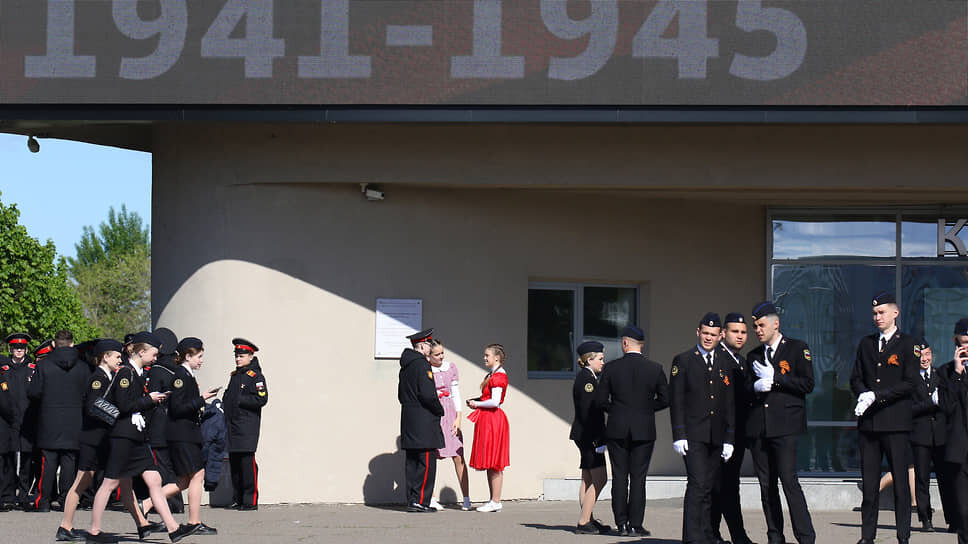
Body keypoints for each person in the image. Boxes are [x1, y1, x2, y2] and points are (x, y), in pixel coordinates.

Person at [84, 331, 198, 543]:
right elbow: (124, 406)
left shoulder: (136, 373)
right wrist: (149, 400)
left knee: (154, 479)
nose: (156, 358)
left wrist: (151, 401)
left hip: (136, 436)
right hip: (123, 436)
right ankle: (94, 531)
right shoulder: (126, 373)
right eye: (153, 354)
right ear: (141, 352)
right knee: (110, 483)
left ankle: (173, 529)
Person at [55, 339, 163, 542]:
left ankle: (142, 523)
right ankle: (65, 526)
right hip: (93, 439)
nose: (120, 360)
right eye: (116, 356)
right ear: (105, 357)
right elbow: (93, 405)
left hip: (105, 438)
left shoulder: (111, 376)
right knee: (81, 482)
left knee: (125, 482)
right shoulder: (98, 377)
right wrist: (118, 416)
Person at [850, 292, 919, 544]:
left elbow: (910, 383)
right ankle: (867, 537)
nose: (877, 317)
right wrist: (863, 394)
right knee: (870, 486)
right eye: (874, 313)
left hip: (895, 424)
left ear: (895, 313)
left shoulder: (908, 344)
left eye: (881, 312)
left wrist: (876, 395)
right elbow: (856, 377)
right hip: (869, 425)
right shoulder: (866, 344)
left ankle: (903, 536)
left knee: (901, 484)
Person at [747, 301, 816, 544]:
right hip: (760, 429)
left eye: (761, 325)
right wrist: (755, 387)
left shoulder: (797, 349)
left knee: (789, 481)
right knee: (767, 487)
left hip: (785, 427)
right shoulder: (754, 355)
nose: (758, 330)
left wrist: (776, 378)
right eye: (755, 326)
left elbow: (807, 384)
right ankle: (775, 536)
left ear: (775, 324)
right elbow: (745, 390)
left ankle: (806, 537)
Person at [593, 326, 669, 537]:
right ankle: (636, 524)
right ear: (641, 345)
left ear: (625, 343)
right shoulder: (655, 368)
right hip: (644, 429)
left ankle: (622, 524)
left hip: (617, 428)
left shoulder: (611, 368)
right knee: (638, 478)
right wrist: (645, 409)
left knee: (619, 477)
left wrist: (617, 411)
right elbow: (666, 399)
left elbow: (600, 400)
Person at [670, 313, 735, 544]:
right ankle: (692, 538)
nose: (709, 338)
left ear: (720, 336)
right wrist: (679, 434)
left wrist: (729, 438)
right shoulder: (684, 360)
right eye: (705, 333)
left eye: (713, 334)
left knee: (709, 487)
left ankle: (707, 535)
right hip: (693, 435)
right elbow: (676, 400)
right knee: (697, 484)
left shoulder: (725, 362)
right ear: (698, 332)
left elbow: (729, 403)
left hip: (716, 435)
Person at [159, 337, 218, 534]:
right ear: (187, 356)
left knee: (185, 480)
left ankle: (148, 503)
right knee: (197, 474)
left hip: (187, 433)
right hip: (182, 433)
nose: (201, 360)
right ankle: (194, 522)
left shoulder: (187, 375)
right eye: (199, 356)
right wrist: (202, 399)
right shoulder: (181, 376)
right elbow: (177, 408)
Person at [26, 330, 88, 513]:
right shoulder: (82, 367)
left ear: (54, 344)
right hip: (74, 420)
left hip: (49, 419)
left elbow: (33, 392)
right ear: (72, 343)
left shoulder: (44, 365)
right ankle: (66, 501)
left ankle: (43, 501)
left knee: (48, 462)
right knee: (69, 461)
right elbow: (87, 394)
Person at [711, 312, 756, 544]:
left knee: (729, 486)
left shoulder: (742, 362)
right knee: (717, 486)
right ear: (723, 334)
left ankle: (732, 535)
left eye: (743, 332)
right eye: (735, 331)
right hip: (718, 435)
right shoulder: (716, 358)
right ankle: (715, 534)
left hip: (736, 434)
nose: (740, 336)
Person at [909, 338, 956, 532]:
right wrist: (930, 403)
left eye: (927, 354)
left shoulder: (940, 376)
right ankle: (925, 519)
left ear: (932, 356)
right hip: (920, 436)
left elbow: (950, 404)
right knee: (922, 479)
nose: (924, 359)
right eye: (921, 355)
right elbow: (908, 409)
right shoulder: (910, 379)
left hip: (941, 436)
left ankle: (953, 520)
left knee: (947, 479)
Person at [397, 329, 444, 513]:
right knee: (426, 462)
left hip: (409, 418)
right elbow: (427, 394)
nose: (430, 348)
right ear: (422, 346)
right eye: (429, 345)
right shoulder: (422, 365)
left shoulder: (406, 366)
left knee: (412, 462)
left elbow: (401, 395)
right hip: (424, 421)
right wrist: (439, 409)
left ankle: (412, 500)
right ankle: (421, 500)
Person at [223, 337, 268, 511]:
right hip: (232, 425)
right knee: (235, 464)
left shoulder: (255, 377)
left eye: (241, 356)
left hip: (246, 426)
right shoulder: (235, 376)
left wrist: (240, 400)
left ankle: (250, 500)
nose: (238, 359)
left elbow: (261, 399)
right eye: (236, 356)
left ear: (251, 356)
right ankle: (238, 498)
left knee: (247, 464)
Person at [569, 341, 610, 535]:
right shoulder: (587, 380)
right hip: (589, 435)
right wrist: (598, 439)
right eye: (600, 359)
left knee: (587, 478)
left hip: (584, 434)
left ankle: (589, 518)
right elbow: (589, 413)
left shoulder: (588, 377)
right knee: (600, 478)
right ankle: (584, 521)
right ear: (589, 359)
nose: (603, 362)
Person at [143, 327, 184, 515]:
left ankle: (171, 503)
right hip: (174, 424)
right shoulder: (177, 370)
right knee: (170, 465)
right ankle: (174, 502)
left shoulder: (157, 371)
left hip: (158, 425)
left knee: (162, 466)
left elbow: (152, 399)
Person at [427, 339, 471, 511]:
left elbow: (455, 393)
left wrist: (458, 417)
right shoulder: (426, 369)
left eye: (442, 353)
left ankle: (466, 498)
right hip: (434, 413)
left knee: (458, 455)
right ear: (430, 355)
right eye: (437, 354)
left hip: (450, 412)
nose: (441, 356)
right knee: (432, 456)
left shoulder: (450, 368)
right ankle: (431, 497)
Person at [467, 343, 510, 513]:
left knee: (495, 462)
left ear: (496, 358)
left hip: (493, 420)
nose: (484, 358)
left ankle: (496, 500)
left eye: (487, 355)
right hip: (488, 419)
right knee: (490, 461)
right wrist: (477, 401)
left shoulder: (498, 376)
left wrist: (477, 404)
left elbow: (495, 401)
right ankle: (493, 499)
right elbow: (489, 398)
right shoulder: (492, 374)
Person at [938, 317, 968, 538]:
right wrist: (957, 375)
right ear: (955, 341)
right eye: (964, 342)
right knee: (963, 511)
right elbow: (946, 407)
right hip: (960, 449)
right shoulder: (946, 372)